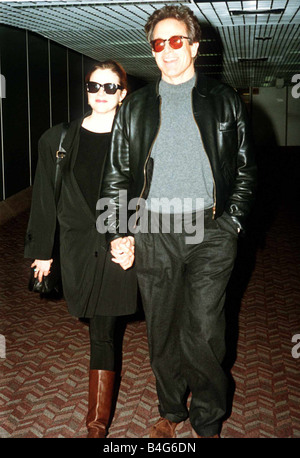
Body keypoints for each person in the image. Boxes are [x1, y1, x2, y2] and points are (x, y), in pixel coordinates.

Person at [100, 6, 257, 439]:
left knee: (205, 331)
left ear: (193, 45)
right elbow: (116, 174)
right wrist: (118, 230)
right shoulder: (134, 107)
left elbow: (245, 169)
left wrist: (234, 224)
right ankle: (171, 409)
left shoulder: (223, 100)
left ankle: (208, 420)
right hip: (153, 230)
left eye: (175, 40)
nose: (166, 50)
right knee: (163, 329)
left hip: (210, 231)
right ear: (151, 52)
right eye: (157, 43)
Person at [24, 60, 137, 438]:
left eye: (110, 87)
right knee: (93, 321)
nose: (100, 94)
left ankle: (96, 425)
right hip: (76, 245)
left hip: (119, 244)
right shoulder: (58, 139)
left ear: (122, 94)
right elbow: (44, 198)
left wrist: (134, 238)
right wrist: (44, 250)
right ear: (85, 90)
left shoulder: (137, 140)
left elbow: (149, 197)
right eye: (93, 86)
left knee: (103, 332)